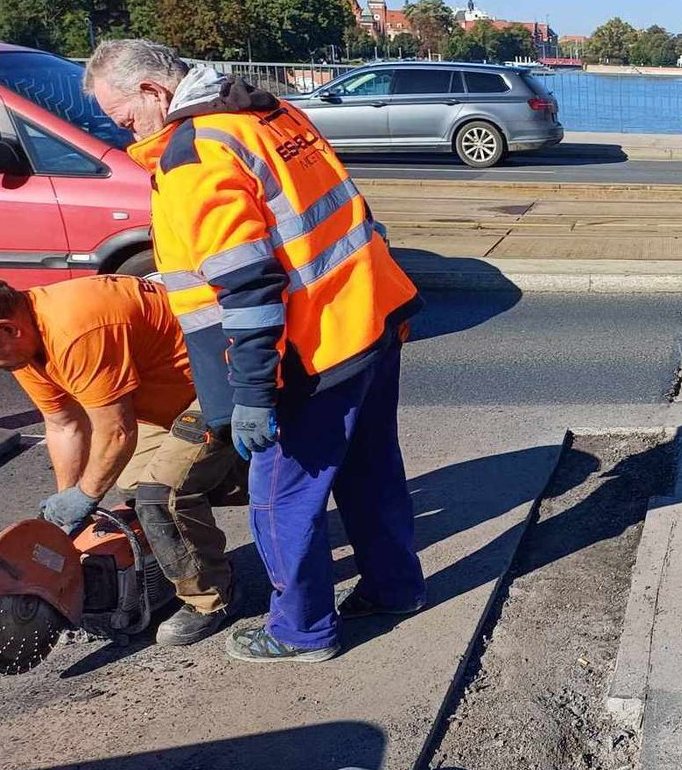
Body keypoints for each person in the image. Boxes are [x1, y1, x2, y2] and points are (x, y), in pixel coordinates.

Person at [84, 39, 426, 664]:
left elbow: (247, 284)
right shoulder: (269, 112)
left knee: (280, 499)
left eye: (125, 118)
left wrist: (251, 391)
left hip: (311, 352)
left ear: (154, 92)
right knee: (371, 470)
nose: (124, 132)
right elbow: (346, 211)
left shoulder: (194, 155)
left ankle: (301, 632)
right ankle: (395, 588)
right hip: (369, 317)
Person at [0, 274, 241, 645]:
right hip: (165, 402)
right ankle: (176, 563)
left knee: (160, 495)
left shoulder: (75, 329)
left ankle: (211, 599)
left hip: (218, 385)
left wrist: (87, 495)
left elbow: (117, 433)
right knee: (132, 482)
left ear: (6, 328)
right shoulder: (25, 346)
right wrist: (66, 514)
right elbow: (64, 425)